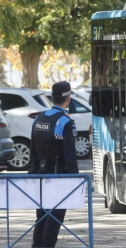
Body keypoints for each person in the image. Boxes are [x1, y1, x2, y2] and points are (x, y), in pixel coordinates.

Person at [29, 81, 79, 247]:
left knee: (41, 217)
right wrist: (75, 181)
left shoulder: (38, 118)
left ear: (52, 97)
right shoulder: (65, 122)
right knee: (54, 218)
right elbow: (70, 157)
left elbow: (32, 152)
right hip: (58, 179)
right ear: (68, 98)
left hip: (39, 177)